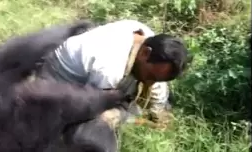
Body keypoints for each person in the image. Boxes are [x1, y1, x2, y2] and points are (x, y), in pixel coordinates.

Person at [38, 19, 191, 130]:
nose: (151, 83)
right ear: (145, 53)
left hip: (99, 73)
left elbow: (157, 86)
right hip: (59, 79)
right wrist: (129, 117)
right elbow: (95, 113)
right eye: (151, 77)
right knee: (102, 121)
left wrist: (158, 111)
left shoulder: (147, 38)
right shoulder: (109, 68)